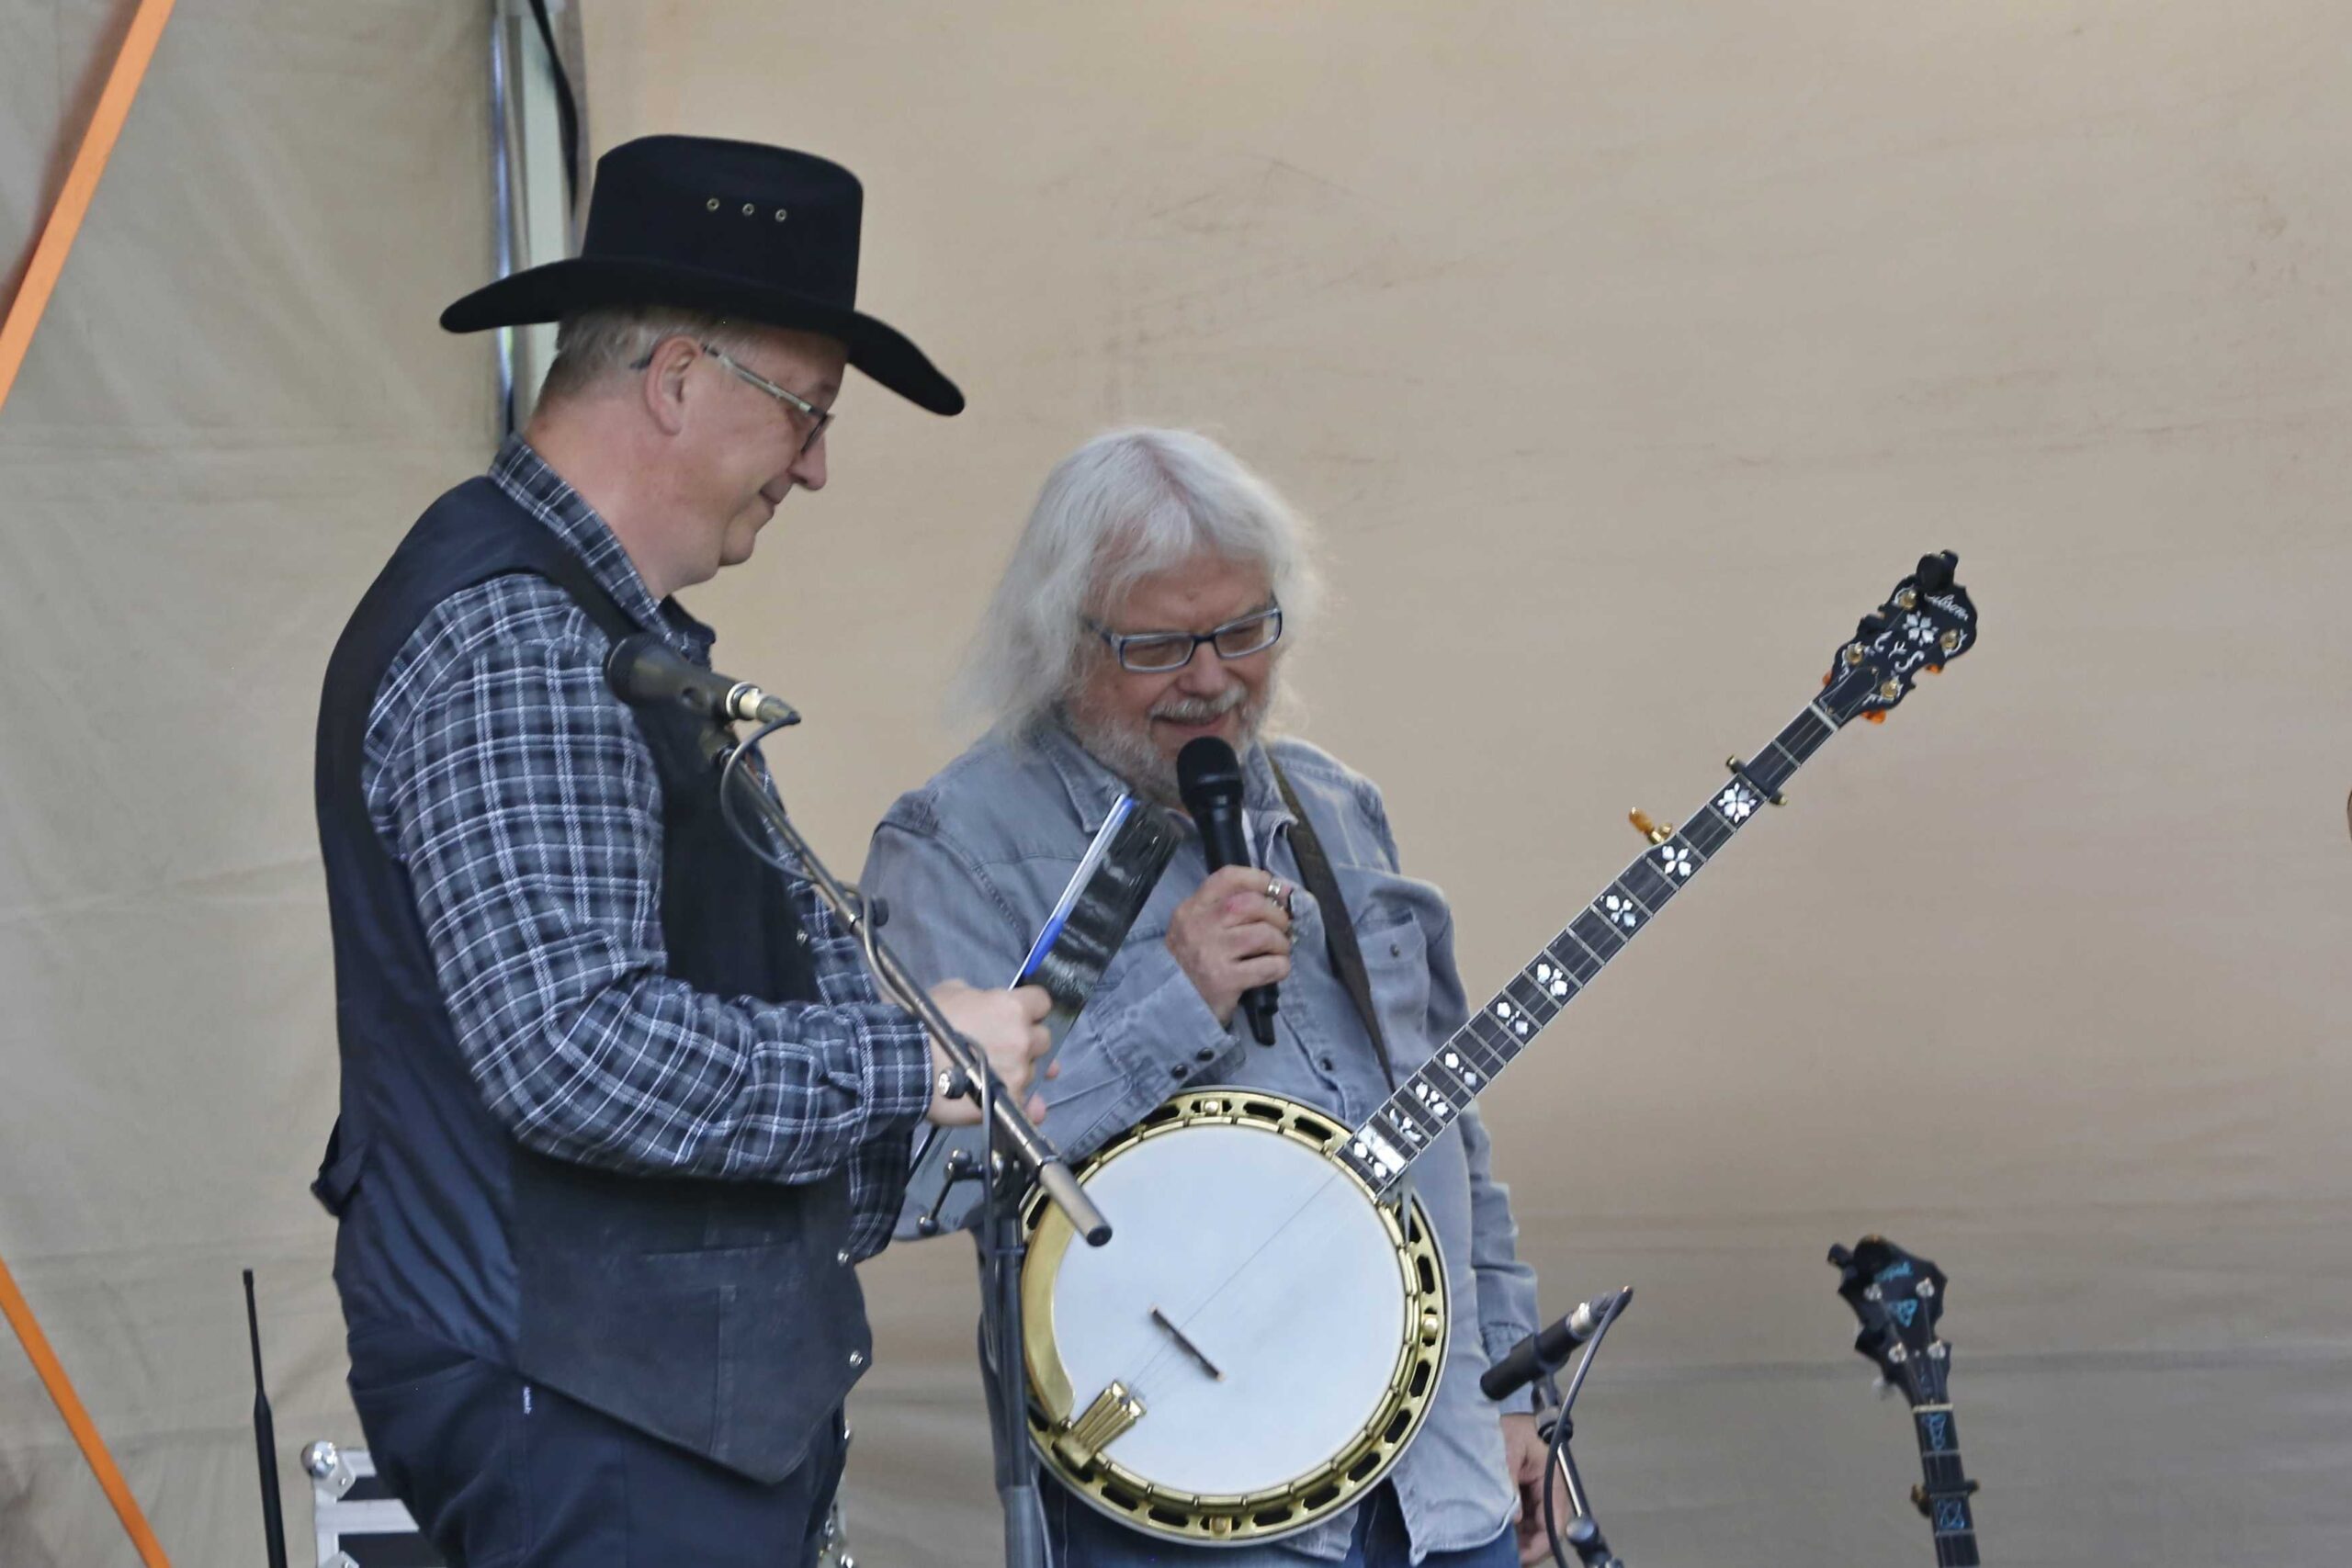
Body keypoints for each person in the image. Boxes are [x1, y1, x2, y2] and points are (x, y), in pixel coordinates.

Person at [311, 135, 1051, 1568]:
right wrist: (913, 1058)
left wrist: (931, 1095)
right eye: (807, 411)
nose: (817, 467)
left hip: (627, 1409)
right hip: (588, 1411)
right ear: (676, 380)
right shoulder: (523, 642)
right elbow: (570, 1049)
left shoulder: (588, 631)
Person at [862, 428, 1567, 1566]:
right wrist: (1173, 1000)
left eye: (1245, 631)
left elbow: (1446, 1122)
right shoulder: (958, 846)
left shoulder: (1335, 808)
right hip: (1192, 1504)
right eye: (1156, 646)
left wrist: (1512, 1387)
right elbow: (916, 1176)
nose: (1211, 678)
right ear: (1059, 641)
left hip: (1438, 1493)